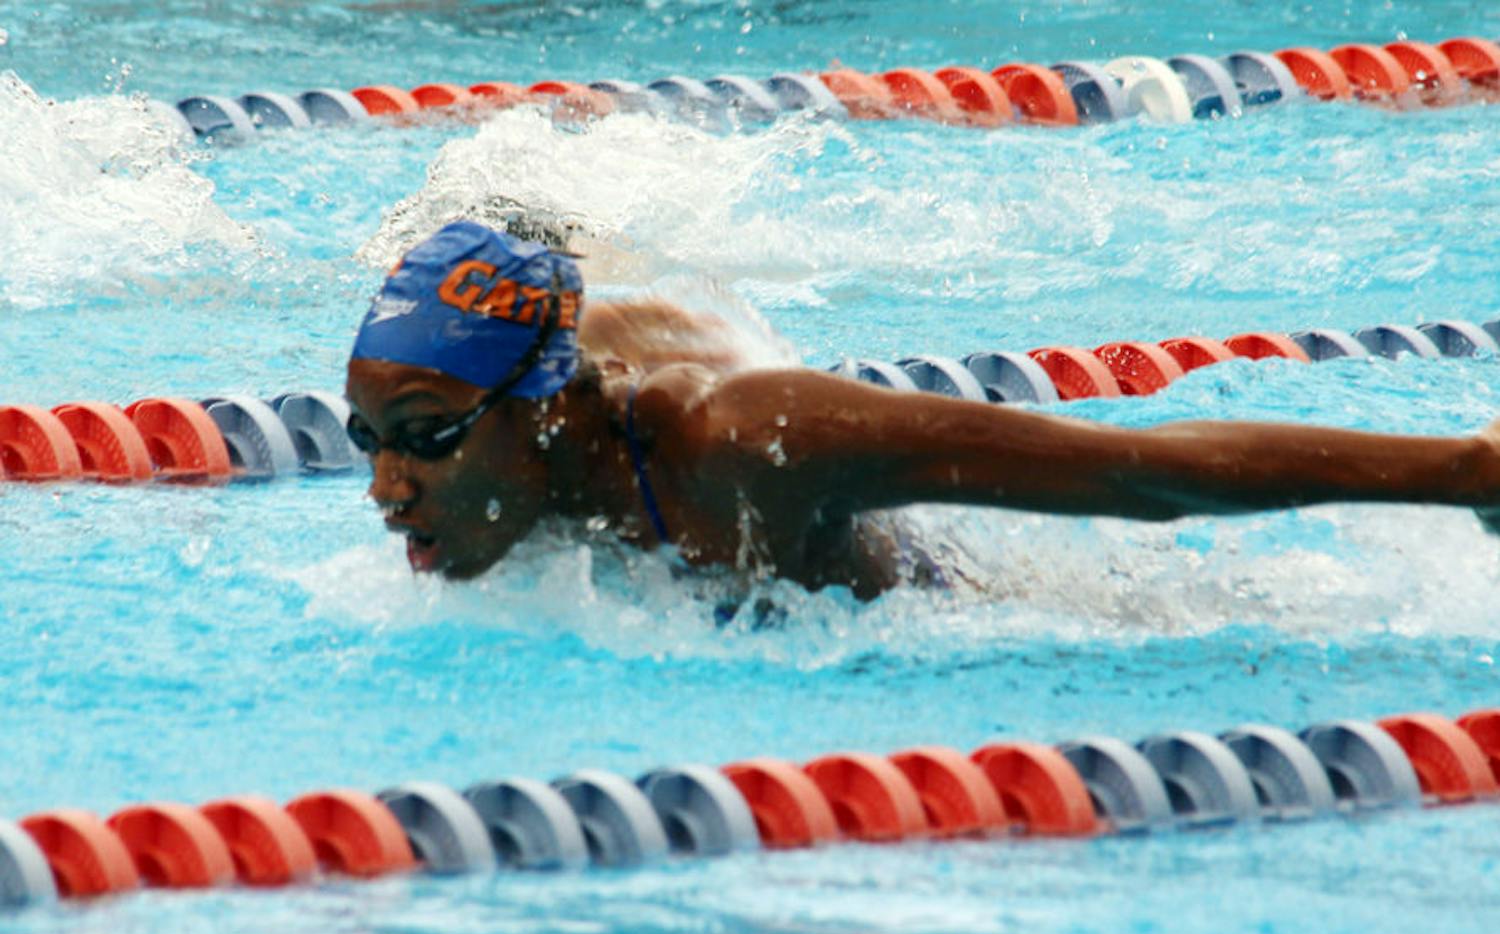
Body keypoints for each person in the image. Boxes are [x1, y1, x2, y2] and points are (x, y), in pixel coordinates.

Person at [345, 220, 1500, 599]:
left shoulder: (746, 445)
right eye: (366, 443)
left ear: (540, 413)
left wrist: (1465, 471)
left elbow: (1138, 472)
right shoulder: (520, 425)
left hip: (945, 602)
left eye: (423, 442)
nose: (386, 493)